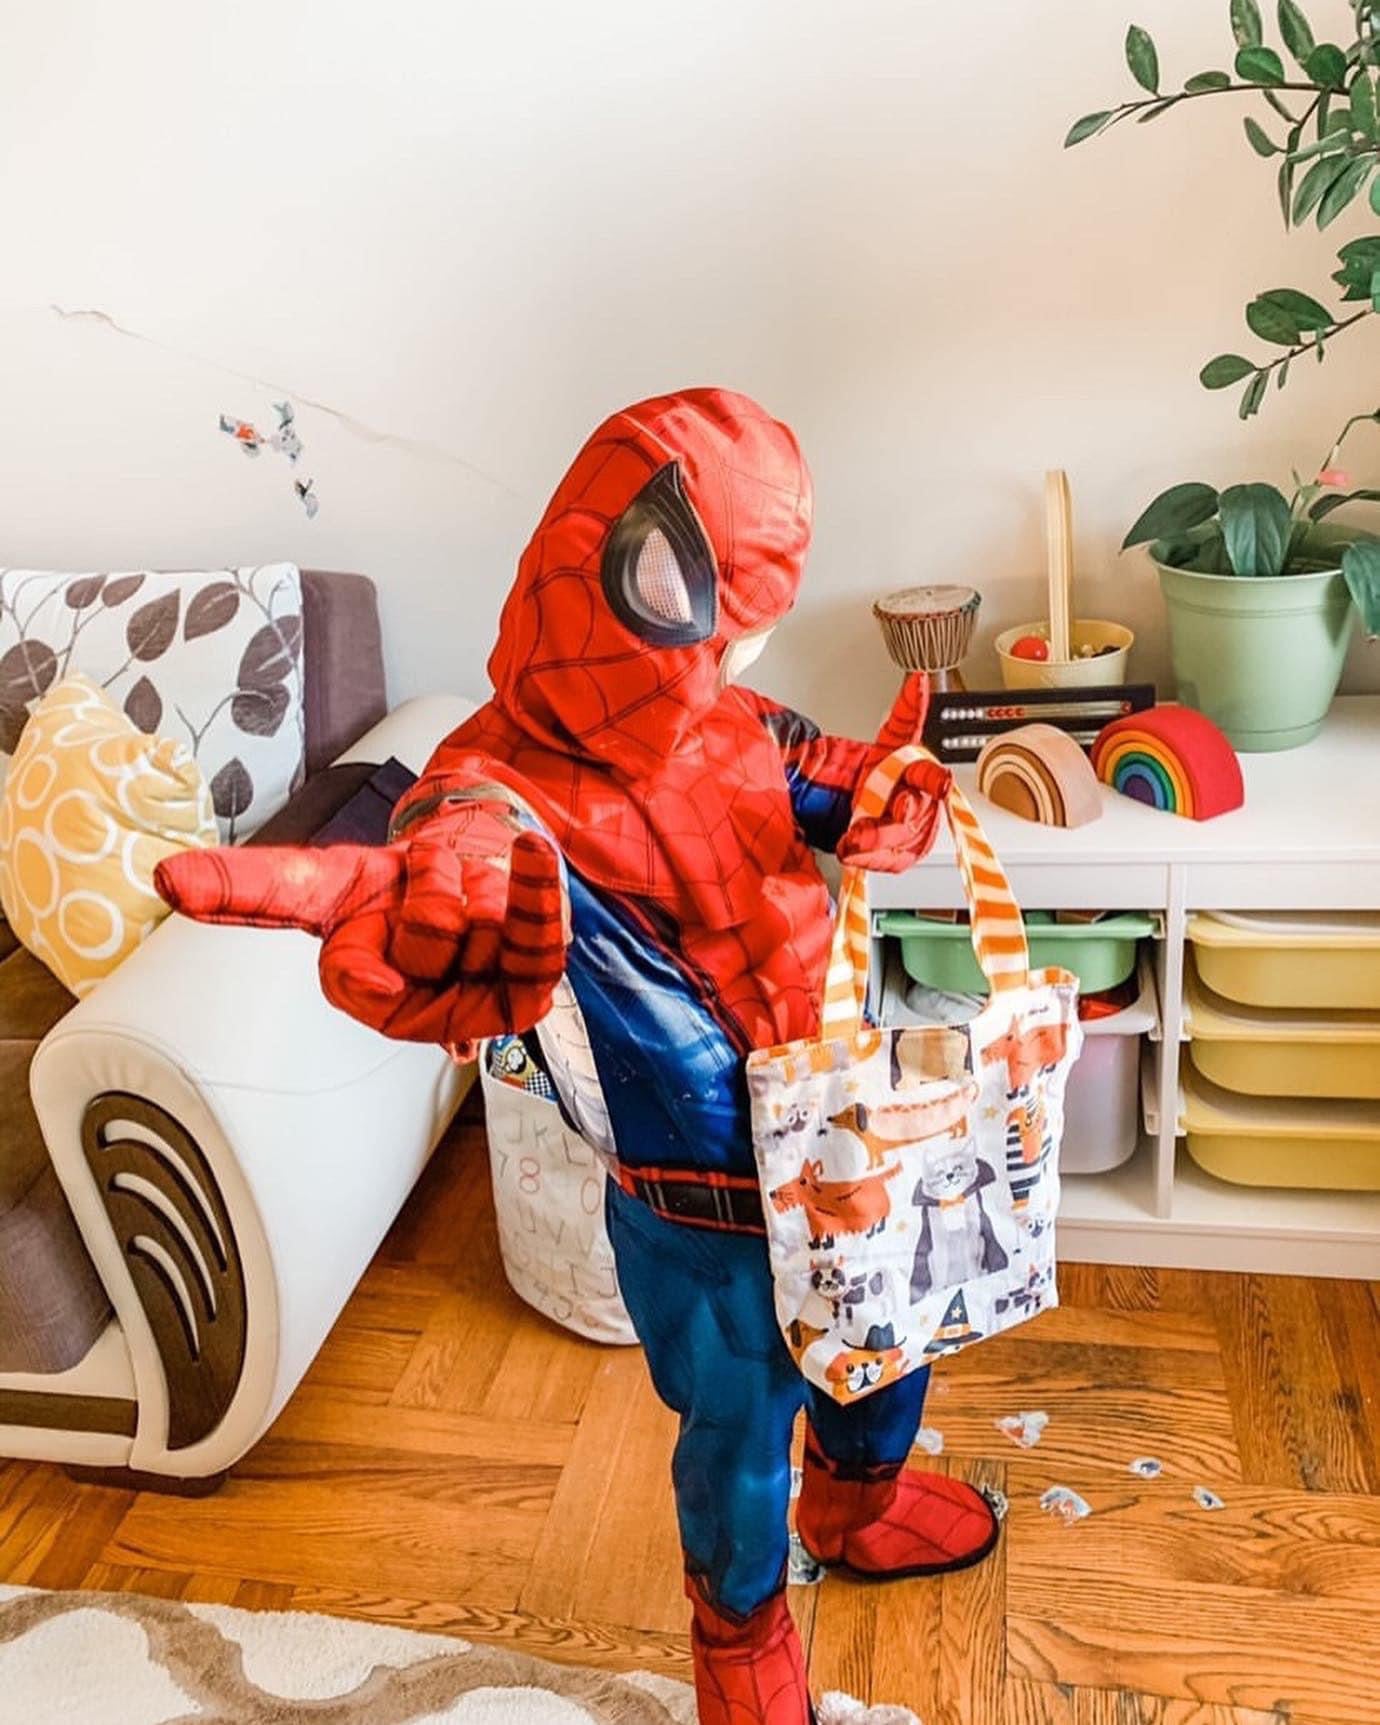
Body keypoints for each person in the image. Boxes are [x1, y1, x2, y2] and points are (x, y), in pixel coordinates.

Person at [158, 389, 1001, 1725]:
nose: (732, 656)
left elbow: (817, 772)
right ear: (618, 567)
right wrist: (438, 907)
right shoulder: (494, 779)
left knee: (889, 1345)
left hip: (845, 1125)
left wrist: (887, 790)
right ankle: (740, 1641)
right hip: (698, 1198)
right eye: (715, 618)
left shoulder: (733, 716)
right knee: (738, 1431)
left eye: (750, 627)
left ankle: (859, 1502)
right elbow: (460, 843)